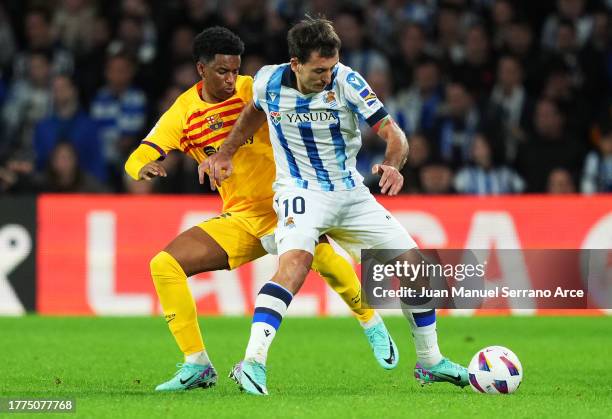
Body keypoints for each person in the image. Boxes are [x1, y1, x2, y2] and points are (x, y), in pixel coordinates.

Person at [203, 17, 468, 396]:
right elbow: (253, 112)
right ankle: (253, 363)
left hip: (351, 194)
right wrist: (226, 152)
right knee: (294, 264)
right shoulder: (267, 81)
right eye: (319, 70)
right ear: (295, 64)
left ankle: (429, 362)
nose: (328, 77)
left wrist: (393, 164)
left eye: (332, 67)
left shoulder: (348, 81)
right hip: (300, 191)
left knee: (416, 268)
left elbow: (394, 134)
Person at [124, 26, 398, 392]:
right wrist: (143, 168)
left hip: (291, 204)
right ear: (201, 70)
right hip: (242, 217)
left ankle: (371, 322)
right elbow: (138, 156)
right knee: (164, 265)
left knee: (322, 259)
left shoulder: (255, 88)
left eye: (236, 71)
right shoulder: (183, 113)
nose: (232, 80)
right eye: (222, 72)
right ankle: (197, 363)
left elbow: (308, 97)